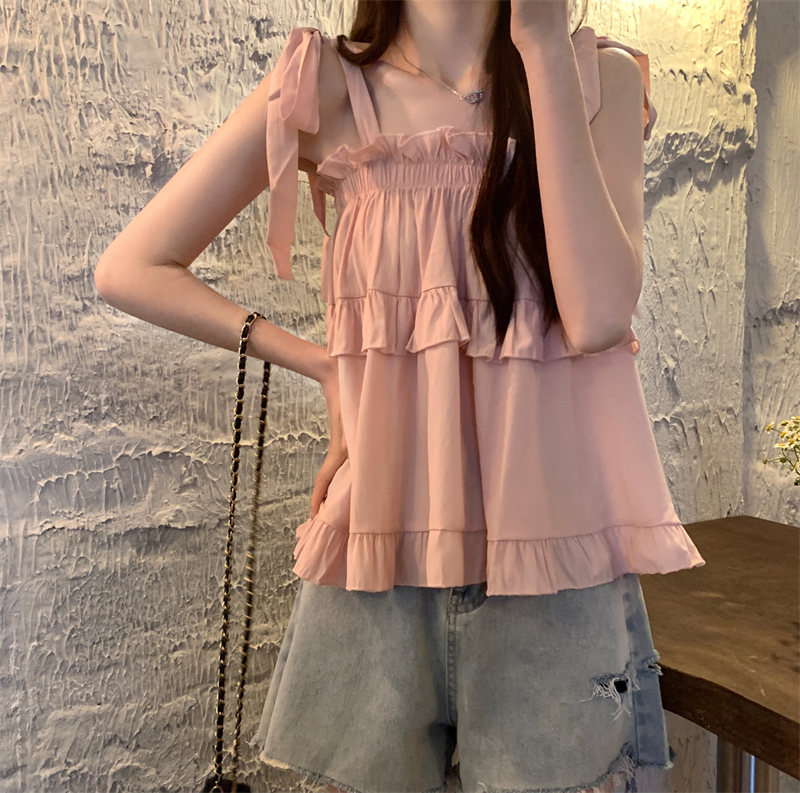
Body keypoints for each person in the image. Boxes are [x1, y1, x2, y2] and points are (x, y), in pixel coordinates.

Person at [94, 1, 705, 791]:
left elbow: (597, 317)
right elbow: (133, 267)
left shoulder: (596, 78)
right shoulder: (327, 84)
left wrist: (544, 46)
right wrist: (324, 366)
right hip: (377, 560)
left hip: (554, 567)